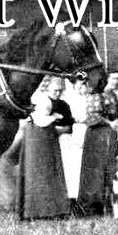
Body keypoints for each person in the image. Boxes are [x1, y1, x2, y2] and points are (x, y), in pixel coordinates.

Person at [18, 77, 74, 220]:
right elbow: (39, 120)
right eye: (55, 90)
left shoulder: (60, 103)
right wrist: (53, 118)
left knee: (49, 172)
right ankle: (36, 211)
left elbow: (66, 124)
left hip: (48, 137)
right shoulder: (41, 99)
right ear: (48, 88)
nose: (58, 93)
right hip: (37, 138)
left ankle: (51, 210)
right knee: (37, 173)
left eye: (60, 91)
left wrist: (56, 124)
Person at [78, 70, 118, 214]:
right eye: (113, 79)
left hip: (110, 135)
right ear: (106, 79)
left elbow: (116, 114)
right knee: (96, 171)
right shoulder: (96, 94)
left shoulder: (113, 95)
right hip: (96, 136)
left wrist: (117, 122)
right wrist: (110, 123)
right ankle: (93, 208)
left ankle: (111, 206)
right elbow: (92, 116)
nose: (116, 82)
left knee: (111, 168)